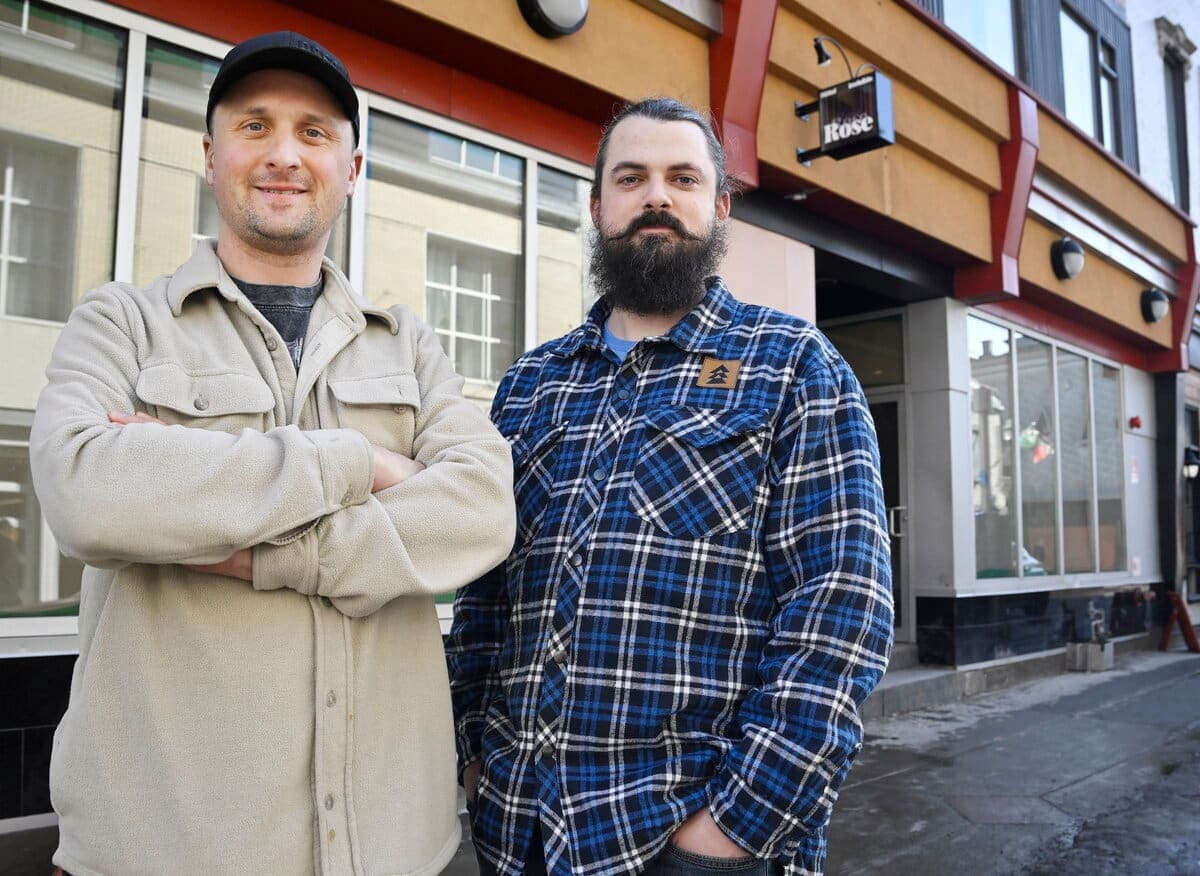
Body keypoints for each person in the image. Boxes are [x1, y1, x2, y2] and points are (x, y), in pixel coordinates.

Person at [31, 31, 515, 876]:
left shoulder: (411, 345)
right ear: (212, 155)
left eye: (314, 132)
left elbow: (482, 511)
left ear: (353, 169)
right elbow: (86, 494)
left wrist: (248, 546)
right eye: (255, 127)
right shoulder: (120, 323)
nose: (284, 154)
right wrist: (359, 466)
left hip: (397, 853)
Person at [446, 97, 894, 876]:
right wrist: (471, 758)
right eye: (632, 177)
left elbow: (841, 613)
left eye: (682, 177)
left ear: (718, 207)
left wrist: (734, 828)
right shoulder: (531, 384)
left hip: (687, 842)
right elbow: (487, 596)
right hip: (519, 834)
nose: (657, 195)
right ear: (597, 206)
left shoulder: (793, 366)